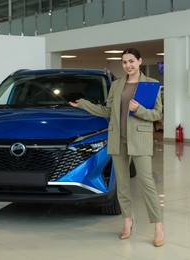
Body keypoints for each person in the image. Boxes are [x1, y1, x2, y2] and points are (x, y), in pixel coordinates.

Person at [69, 48, 164, 247]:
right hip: (117, 138)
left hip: (139, 138)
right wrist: (84, 105)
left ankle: (158, 226)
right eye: (124, 62)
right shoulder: (117, 85)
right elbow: (107, 110)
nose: (128, 65)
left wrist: (139, 110)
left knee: (147, 183)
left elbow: (156, 114)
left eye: (131, 61)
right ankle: (127, 221)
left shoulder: (151, 84)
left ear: (139, 61)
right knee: (122, 183)